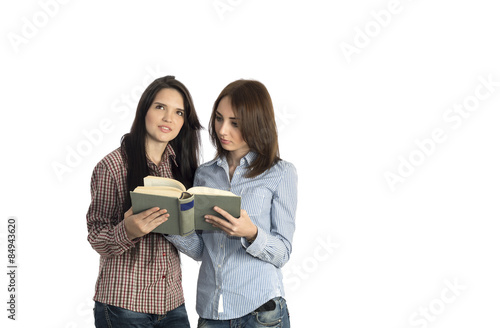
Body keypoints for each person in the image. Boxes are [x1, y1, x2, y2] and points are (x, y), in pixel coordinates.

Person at [166, 79, 298, 327]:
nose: (222, 130)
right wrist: (170, 225)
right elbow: (201, 250)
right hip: (212, 312)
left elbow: (283, 253)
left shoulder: (280, 173)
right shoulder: (204, 174)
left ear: (257, 124)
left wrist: (252, 233)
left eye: (235, 123)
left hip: (261, 312)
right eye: (218, 118)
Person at [87, 75, 201, 327]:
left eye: (179, 112)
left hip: (172, 304)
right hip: (123, 306)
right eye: (160, 107)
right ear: (144, 109)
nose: (168, 118)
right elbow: (96, 236)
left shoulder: (182, 170)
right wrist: (127, 230)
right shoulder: (112, 166)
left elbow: (196, 244)